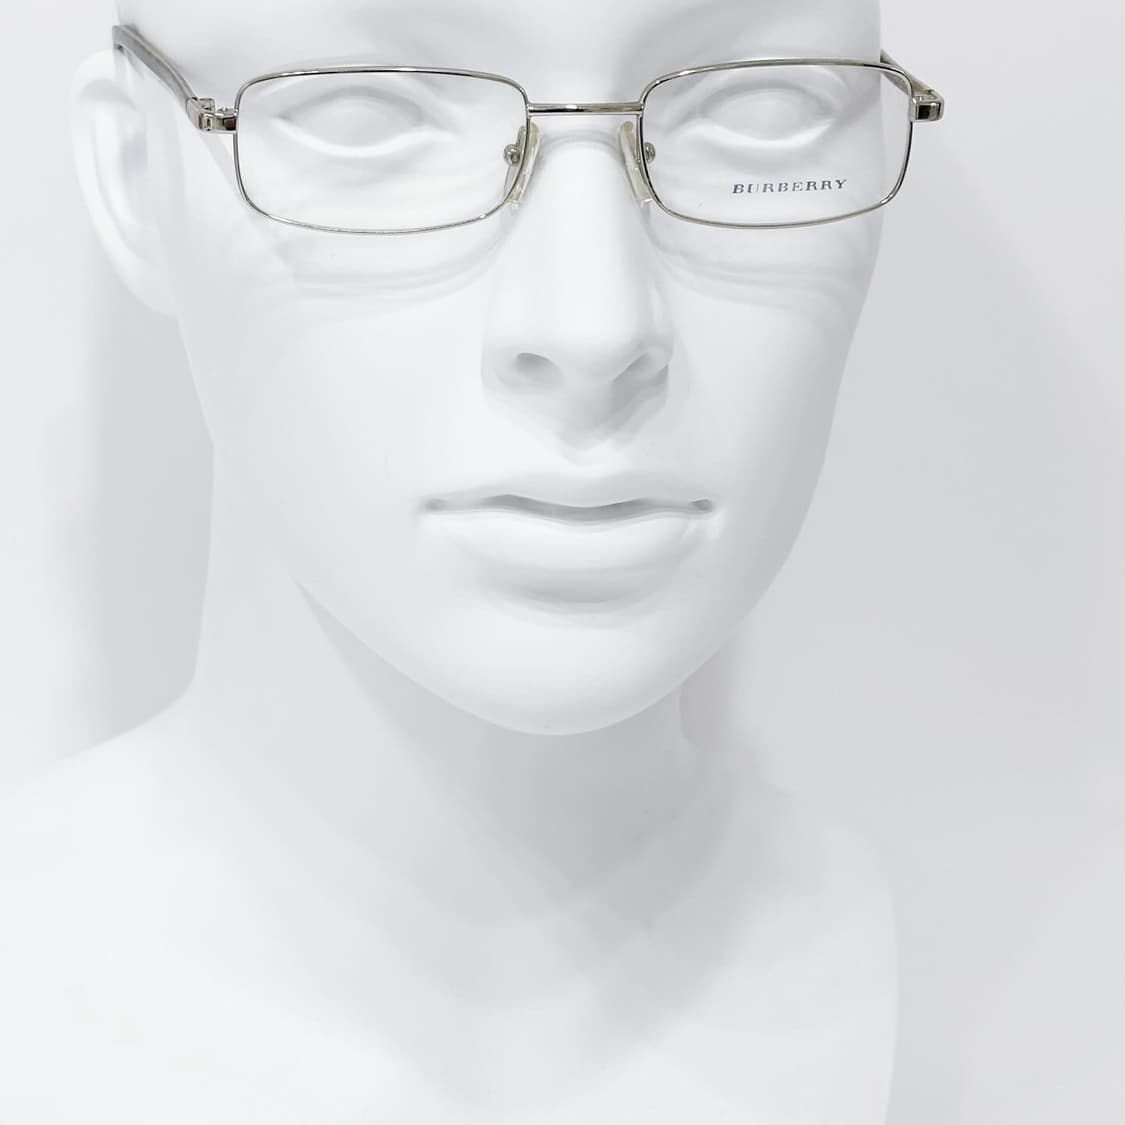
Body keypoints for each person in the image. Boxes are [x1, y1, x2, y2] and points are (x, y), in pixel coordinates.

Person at [0, 1, 943, 1119]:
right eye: (365, 118)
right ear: (135, 178)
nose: (595, 328)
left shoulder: (882, 939)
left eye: (762, 111)